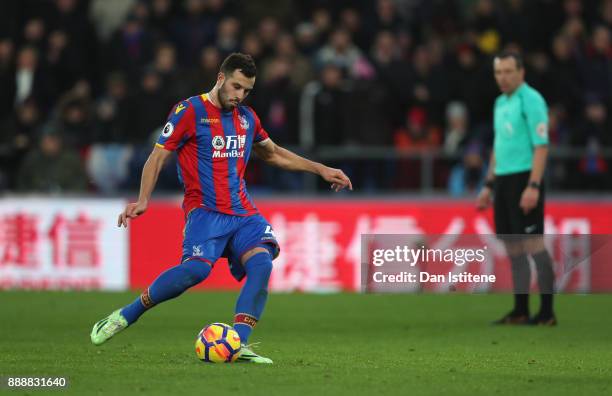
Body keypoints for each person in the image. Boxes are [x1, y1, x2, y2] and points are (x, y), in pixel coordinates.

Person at [90, 53, 353, 362]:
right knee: (196, 271)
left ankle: (237, 344)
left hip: (243, 213)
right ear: (220, 78)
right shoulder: (189, 111)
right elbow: (158, 156)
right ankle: (126, 315)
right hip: (205, 211)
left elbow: (274, 154)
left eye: (246, 90)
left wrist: (320, 169)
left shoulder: (247, 118)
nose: (239, 95)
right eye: (236, 87)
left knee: (262, 264)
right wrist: (144, 199)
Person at [476, 52, 556, 326]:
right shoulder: (500, 103)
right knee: (513, 248)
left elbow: (541, 146)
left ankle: (547, 312)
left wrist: (533, 185)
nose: (503, 77)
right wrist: (488, 185)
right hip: (503, 180)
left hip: (525, 178)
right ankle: (521, 310)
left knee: (534, 246)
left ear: (521, 72)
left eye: (509, 71)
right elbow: (498, 147)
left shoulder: (531, 100)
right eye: (499, 72)